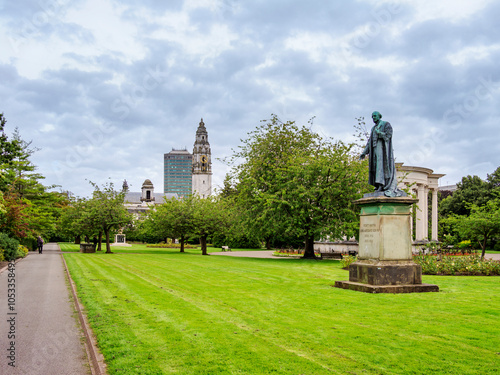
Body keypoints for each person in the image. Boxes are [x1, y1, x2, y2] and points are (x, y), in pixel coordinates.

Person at [360, 111, 405, 197]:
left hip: (382, 150)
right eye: (372, 117)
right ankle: (378, 185)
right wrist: (364, 152)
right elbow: (369, 142)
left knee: (381, 166)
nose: (374, 118)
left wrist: (379, 133)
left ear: (379, 116)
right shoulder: (373, 128)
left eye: (375, 116)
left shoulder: (385, 124)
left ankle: (381, 184)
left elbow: (388, 135)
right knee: (376, 167)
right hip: (374, 151)